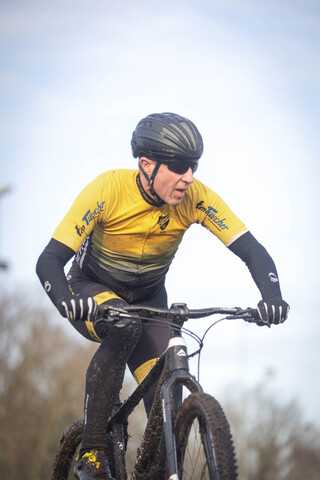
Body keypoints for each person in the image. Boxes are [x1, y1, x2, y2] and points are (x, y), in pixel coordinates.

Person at [36, 112, 289, 480]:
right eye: (180, 166)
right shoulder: (108, 189)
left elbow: (252, 250)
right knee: (123, 325)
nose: (189, 176)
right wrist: (64, 299)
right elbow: (49, 260)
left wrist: (272, 296)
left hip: (150, 298)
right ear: (146, 164)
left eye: (194, 166)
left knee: (164, 400)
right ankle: (91, 450)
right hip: (89, 290)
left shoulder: (194, 197)